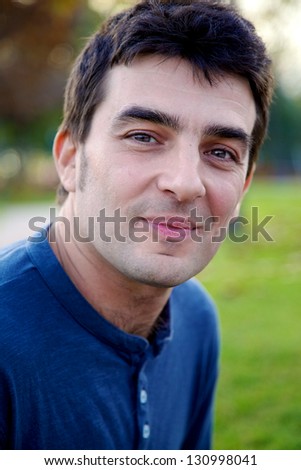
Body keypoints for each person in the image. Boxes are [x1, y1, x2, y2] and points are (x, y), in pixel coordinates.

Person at [0, 0, 273, 450]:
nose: (186, 183)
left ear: (244, 184)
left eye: (221, 151)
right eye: (143, 137)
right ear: (71, 158)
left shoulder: (196, 319)